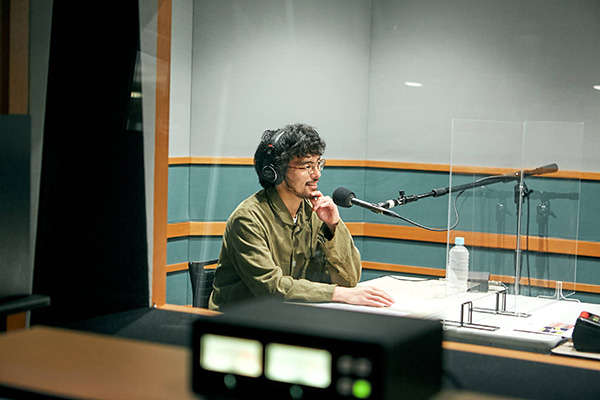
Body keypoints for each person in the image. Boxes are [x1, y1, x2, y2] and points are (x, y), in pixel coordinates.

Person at [208, 123, 394, 311]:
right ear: (276, 171)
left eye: (318, 163)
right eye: (307, 166)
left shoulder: (315, 212)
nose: (317, 174)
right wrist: (338, 294)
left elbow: (349, 279)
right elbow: (271, 288)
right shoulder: (248, 219)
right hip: (239, 319)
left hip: (292, 314)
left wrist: (333, 226)